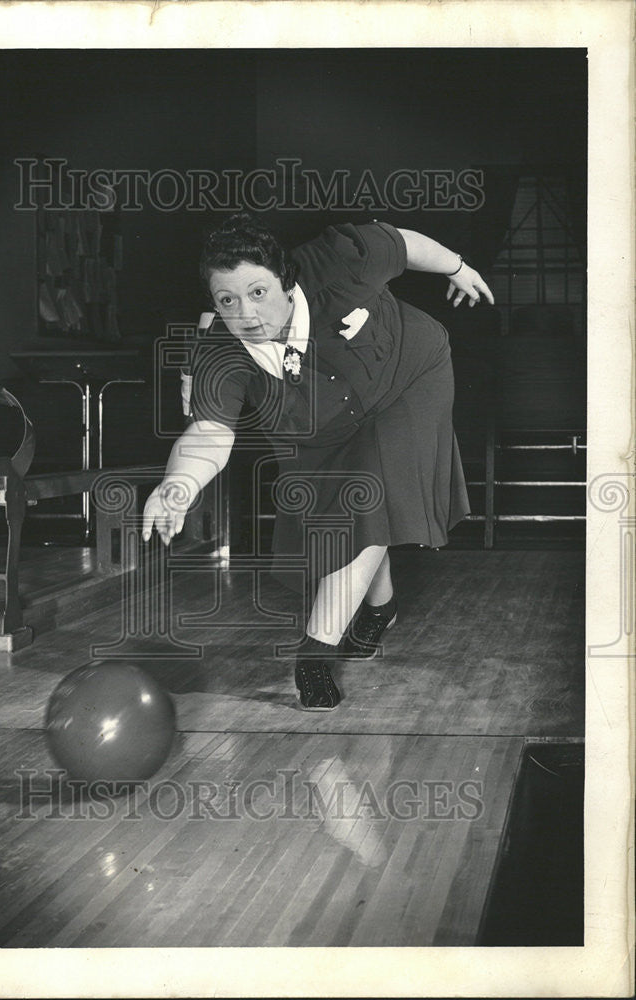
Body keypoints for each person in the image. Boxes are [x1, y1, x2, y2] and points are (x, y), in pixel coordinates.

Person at [142, 212, 493, 711]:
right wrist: (177, 484)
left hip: (408, 377)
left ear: (287, 282)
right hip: (320, 421)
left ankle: (314, 656)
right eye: (227, 300)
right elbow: (209, 431)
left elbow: (404, 244)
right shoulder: (220, 350)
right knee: (352, 509)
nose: (247, 313)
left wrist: (456, 268)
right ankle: (380, 607)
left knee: (374, 487)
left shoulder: (338, 260)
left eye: (258, 292)